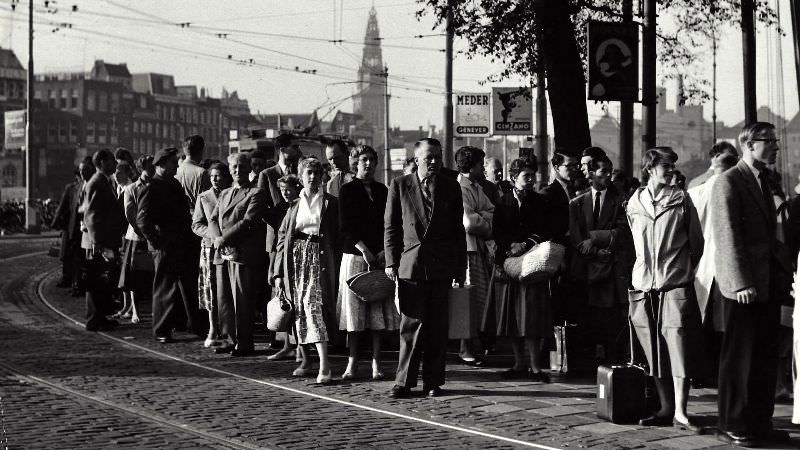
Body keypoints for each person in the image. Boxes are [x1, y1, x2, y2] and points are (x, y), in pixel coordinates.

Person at [711, 122, 793, 446]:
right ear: (748, 144)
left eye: (775, 140)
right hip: (744, 287)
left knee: (764, 355)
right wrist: (741, 282)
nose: (775, 146)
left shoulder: (764, 180)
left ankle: (760, 421)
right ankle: (733, 422)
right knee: (740, 356)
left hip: (768, 281)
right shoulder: (729, 181)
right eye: (769, 141)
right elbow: (727, 236)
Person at [626, 146, 704, 433]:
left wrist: (682, 270)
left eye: (673, 166)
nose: (671, 171)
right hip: (644, 286)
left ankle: (682, 412)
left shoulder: (682, 200)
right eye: (666, 166)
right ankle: (665, 407)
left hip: (674, 285)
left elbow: (697, 244)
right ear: (649, 169)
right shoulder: (634, 202)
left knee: (679, 349)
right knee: (653, 353)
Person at [385, 138, 467, 398]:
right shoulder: (400, 185)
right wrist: (391, 261)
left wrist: (460, 266)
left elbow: (458, 229)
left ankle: (433, 381)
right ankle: (404, 381)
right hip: (412, 265)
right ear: (416, 158)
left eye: (438, 157)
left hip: (442, 265)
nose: (434, 162)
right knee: (410, 325)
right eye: (429, 157)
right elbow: (391, 228)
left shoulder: (451, 187)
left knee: (437, 326)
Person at [274, 157, 341, 384]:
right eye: (308, 173)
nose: (312, 177)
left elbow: (340, 235)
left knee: (314, 308)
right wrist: (277, 274)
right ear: (301, 178)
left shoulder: (331, 203)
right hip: (295, 261)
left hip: (319, 259)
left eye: (316, 172)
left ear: (322, 176)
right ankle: (306, 360)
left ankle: (325, 365)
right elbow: (282, 240)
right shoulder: (294, 205)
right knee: (299, 309)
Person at [336, 145, 398, 380]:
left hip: (380, 257)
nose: (368, 164)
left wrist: (383, 251)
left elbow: (390, 223)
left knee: (377, 312)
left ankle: (376, 363)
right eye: (364, 160)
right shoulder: (347, 190)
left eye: (372, 159)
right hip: (355, 256)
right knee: (354, 314)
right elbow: (345, 226)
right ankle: (351, 363)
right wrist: (364, 250)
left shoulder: (383, 190)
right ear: (355, 163)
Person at [491, 157, 553, 382]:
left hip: (532, 264)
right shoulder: (503, 202)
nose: (531, 181)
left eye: (533, 176)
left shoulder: (539, 201)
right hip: (509, 264)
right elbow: (497, 231)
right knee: (512, 319)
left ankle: (535, 366)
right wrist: (510, 247)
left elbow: (544, 229)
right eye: (526, 176)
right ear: (513, 178)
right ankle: (519, 362)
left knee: (532, 318)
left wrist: (525, 244)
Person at [569, 156, 631, 364]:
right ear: (592, 173)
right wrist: (594, 252)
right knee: (588, 317)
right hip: (586, 268)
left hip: (609, 269)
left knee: (609, 318)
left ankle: (611, 360)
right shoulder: (577, 203)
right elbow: (576, 236)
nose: (608, 175)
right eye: (603, 171)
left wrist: (596, 240)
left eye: (610, 171)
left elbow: (623, 231)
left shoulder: (620, 201)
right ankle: (587, 361)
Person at [137, 147, 203, 343]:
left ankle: (191, 324)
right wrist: (157, 242)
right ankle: (162, 330)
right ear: (162, 164)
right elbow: (143, 221)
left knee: (186, 286)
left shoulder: (173, 183)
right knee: (165, 288)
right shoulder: (151, 187)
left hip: (181, 243)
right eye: (174, 163)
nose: (177, 165)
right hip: (165, 246)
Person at [209, 153, 268, 357]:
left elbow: (248, 222)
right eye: (234, 167)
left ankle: (244, 343)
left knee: (242, 300)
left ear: (249, 168)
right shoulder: (225, 193)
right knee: (224, 298)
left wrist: (223, 239)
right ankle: (228, 339)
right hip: (223, 253)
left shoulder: (256, 193)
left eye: (242, 167)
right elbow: (213, 218)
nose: (237, 171)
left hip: (242, 254)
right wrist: (218, 240)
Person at [454, 146, 494, 365]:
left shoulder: (475, 186)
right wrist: (484, 219)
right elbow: (469, 222)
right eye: (481, 164)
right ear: (471, 165)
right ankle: (465, 347)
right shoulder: (461, 187)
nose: (483, 168)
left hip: (477, 247)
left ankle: (473, 344)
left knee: (478, 300)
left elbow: (490, 210)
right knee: (466, 300)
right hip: (467, 249)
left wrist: (482, 217)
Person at [83, 149, 127, 332]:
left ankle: (101, 316)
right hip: (101, 242)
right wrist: (98, 244)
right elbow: (92, 215)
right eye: (111, 161)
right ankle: (94, 319)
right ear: (102, 162)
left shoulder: (104, 181)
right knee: (97, 280)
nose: (115, 164)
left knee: (104, 281)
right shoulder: (96, 182)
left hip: (107, 240)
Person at [191, 162, 231, 348]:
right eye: (212, 176)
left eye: (218, 175)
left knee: (227, 291)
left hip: (230, 247)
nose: (215, 179)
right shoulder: (204, 197)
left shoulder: (232, 193)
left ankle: (229, 329)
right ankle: (212, 328)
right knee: (211, 289)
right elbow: (196, 224)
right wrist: (214, 236)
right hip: (210, 248)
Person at [264, 174, 303, 361]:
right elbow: (278, 242)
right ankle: (287, 345)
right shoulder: (282, 208)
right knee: (285, 303)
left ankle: (299, 347)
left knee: (298, 305)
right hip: (283, 262)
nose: (285, 193)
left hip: (297, 261)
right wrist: (275, 269)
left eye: (288, 189)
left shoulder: (301, 206)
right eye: (282, 190)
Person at [116, 155, 157, 324]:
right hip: (136, 236)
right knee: (134, 275)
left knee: (153, 274)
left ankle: (155, 309)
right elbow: (129, 213)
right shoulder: (132, 188)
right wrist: (142, 231)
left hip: (153, 235)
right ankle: (135, 310)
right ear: (142, 168)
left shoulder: (157, 186)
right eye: (150, 167)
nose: (153, 170)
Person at [51, 166, 84, 290]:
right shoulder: (70, 188)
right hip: (70, 225)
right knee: (67, 255)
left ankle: (76, 281)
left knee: (77, 256)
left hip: (79, 227)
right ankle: (67, 278)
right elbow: (62, 206)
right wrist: (55, 222)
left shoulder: (85, 187)